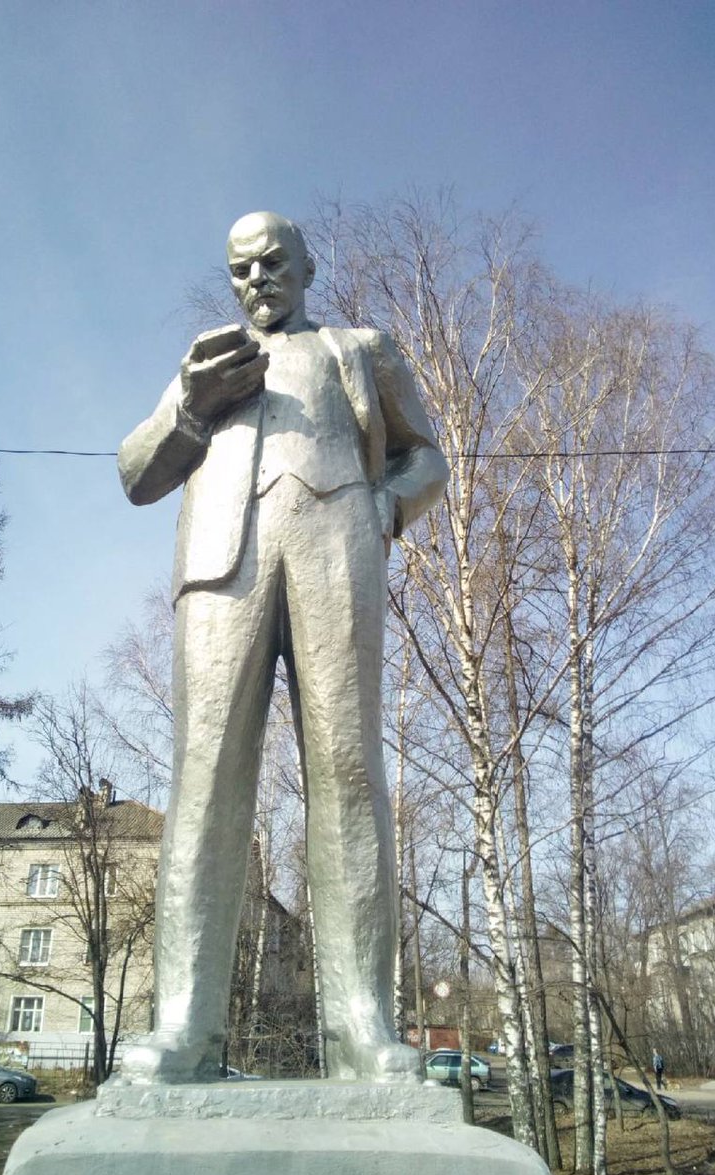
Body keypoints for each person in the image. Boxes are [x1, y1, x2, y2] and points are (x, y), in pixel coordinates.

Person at [118, 211, 448, 1084]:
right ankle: (185, 1025)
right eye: (240, 269)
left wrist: (384, 508)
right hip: (218, 568)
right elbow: (136, 474)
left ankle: (361, 1022)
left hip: (337, 554)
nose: (256, 280)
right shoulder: (207, 359)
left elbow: (427, 458)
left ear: (306, 267)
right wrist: (191, 409)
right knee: (205, 777)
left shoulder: (359, 349)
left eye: (271, 263)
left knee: (346, 770)